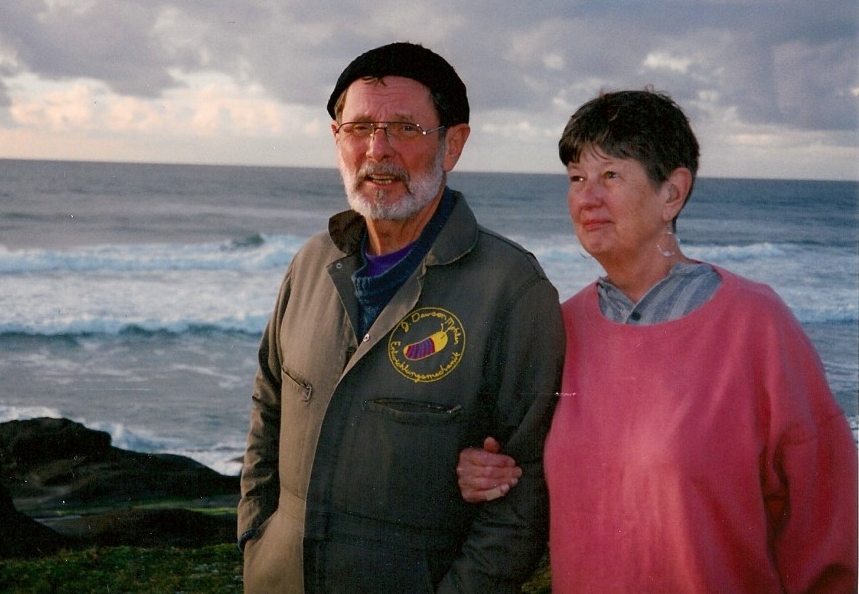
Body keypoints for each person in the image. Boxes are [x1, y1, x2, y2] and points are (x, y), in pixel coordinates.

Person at [457, 89, 858, 593]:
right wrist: (483, 471)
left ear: (672, 193)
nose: (586, 198)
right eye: (577, 178)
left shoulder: (756, 325)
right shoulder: (560, 328)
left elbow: (822, 523)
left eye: (610, 176)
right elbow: (522, 471)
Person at [237, 42, 566, 593]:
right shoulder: (313, 264)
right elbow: (268, 408)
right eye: (359, 127)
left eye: (406, 129)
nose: (377, 150)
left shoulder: (511, 289)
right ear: (336, 139)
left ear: (453, 144)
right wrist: (257, 539)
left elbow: (525, 490)